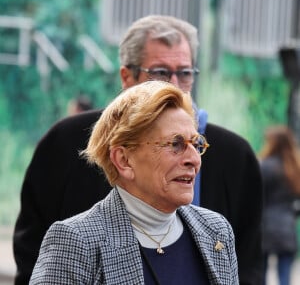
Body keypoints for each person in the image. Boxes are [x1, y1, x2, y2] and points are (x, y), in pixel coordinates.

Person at [13, 15, 263, 285]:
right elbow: (30, 249)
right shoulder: (64, 151)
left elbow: (251, 264)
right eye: (160, 72)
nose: (174, 85)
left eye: (185, 72)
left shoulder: (217, 229)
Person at [29, 81, 239, 284]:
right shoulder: (75, 242)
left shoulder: (216, 231)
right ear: (124, 160)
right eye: (175, 144)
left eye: (196, 144)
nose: (194, 159)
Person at [258, 125, 300, 285]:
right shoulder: (295, 168)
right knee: (285, 278)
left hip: (265, 227)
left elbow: (257, 197)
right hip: (287, 228)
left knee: (261, 275)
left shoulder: (265, 166)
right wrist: (292, 213)